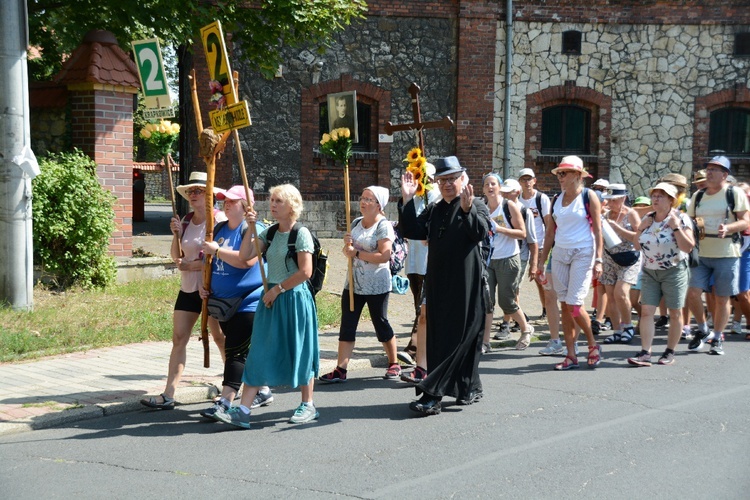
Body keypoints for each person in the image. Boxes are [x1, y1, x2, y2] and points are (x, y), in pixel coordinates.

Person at [211, 184, 320, 428]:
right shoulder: (269, 233)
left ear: (291, 205)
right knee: (258, 351)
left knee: (300, 350)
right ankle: (243, 411)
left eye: (278, 200)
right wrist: (250, 228)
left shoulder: (300, 234)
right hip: (271, 299)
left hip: (293, 299)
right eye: (271, 199)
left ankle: (308, 404)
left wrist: (278, 289)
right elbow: (244, 256)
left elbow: (306, 271)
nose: (272, 204)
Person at [399, 156, 491, 416]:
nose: (448, 184)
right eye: (442, 180)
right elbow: (414, 231)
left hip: (466, 285)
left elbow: (479, 233)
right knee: (441, 340)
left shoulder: (477, 205)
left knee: (460, 339)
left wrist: (467, 209)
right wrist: (407, 199)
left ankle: (432, 394)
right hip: (438, 282)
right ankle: (469, 387)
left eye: (452, 178)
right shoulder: (436, 208)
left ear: (464, 179)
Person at [140, 171, 225, 410]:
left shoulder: (218, 220)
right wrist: (176, 234)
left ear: (209, 194)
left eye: (198, 190)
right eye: (190, 191)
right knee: (179, 338)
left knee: (220, 338)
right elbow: (176, 256)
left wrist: (194, 265)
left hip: (211, 288)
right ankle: (169, 393)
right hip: (188, 288)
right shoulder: (187, 220)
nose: (193, 195)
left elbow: (220, 258)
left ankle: (233, 386)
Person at [197, 186, 270, 418]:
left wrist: (218, 250)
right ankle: (263, 390)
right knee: (242, 351)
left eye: (232, 201)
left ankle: (225, 402)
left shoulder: (253, 229)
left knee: (235, 351)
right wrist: (202, 283)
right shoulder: (218, 227)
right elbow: (205, 260)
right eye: (225, 201)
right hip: (223, 304)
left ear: (247, 206)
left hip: (248, 301)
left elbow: (246, 262)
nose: (227, 204)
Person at [319, 186, 401, 383]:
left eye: (369, 199)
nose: (363, 202)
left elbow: (385, 256)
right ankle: (341, 369)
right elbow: (348, 251)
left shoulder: (383, 226)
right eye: (362, 198)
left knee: (380, 322)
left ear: (379, 204)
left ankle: (394, 362)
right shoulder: (355, 223)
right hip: (353, 284)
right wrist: (347, 245)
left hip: (376, 285)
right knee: (348, 324)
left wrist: (356, 252)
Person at [537, 156, 603, 370]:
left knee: (574, 304)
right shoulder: (556, 199)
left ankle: (593, 344)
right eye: (559, 173)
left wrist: (599, 259)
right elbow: (549, 233)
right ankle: (571, 354)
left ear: (577, 175)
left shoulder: (588, 196)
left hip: (583, 252)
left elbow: (598, 230)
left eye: (564, 173)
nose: (560, 177)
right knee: (564, 305)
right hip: (560, 254)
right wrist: (541, 261)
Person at [686, 156, 749, 355]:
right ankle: (703, 329)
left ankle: (718, 336)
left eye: (715, 169)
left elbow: (746, 221)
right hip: (701, 253)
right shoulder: (698, 196)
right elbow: (688, 221)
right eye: (709, 169)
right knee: (693, 293)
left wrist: (729, 228)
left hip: (726, 253)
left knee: (722, 298)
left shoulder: (734, 193)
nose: (710, 172)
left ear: (725, 174)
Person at [628, 182, 694, 366]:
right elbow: (636, 245)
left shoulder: (681, 219)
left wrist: (675, 228)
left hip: (674, 270)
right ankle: (645, 353)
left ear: (671, 200)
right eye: (654, 195)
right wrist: (641, 228)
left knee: (675, 312)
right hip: (650, 271)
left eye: (661, 196)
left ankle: (669, 351)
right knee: (647, 311)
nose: (655, 199)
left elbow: (688, 247)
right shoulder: (648, 218)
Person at [481, 174, 532, 351]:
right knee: (486, 302)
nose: (490, 187)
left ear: (499, 187)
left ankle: (526, 329)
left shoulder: (508, 206)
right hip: (488, 260)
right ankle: (485, 342)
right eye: (486, 184)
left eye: (493, 184)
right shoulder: (482, 208)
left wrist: (500, 229)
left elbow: (522, 233)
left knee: (507, 302)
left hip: (508, 259)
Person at [399, 163, 439, 366]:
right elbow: (406, 228)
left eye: (426, 179)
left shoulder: (437, 199)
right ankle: (429, 344)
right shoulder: (410, 198)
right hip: (413, 261)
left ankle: (414, 348)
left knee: (423, 307)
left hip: (429, 261)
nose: (423, 183)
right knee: (419, 304)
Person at [599, 184, 642, 345]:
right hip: (609, 257)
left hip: (629, 258)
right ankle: (617, 330)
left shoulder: (631, 214)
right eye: (608, 200)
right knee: (610, 295)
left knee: (621, 292)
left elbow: (638, 239)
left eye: (613, 200)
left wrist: (617, 228)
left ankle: (628, 325)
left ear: (623, 198)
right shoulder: (606, 214)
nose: (610, 204)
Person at [518, 167, 551, 320]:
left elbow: (548, 222)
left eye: (529, 179)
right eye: (524, 179)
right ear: (520, 182)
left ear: (534, 181)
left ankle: (547, 308)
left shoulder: (541, 198)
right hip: (523, 244)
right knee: (518, 278)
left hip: (540, 243)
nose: (527, 182)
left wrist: (549, 243)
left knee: (540, 278)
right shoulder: (517, 199)